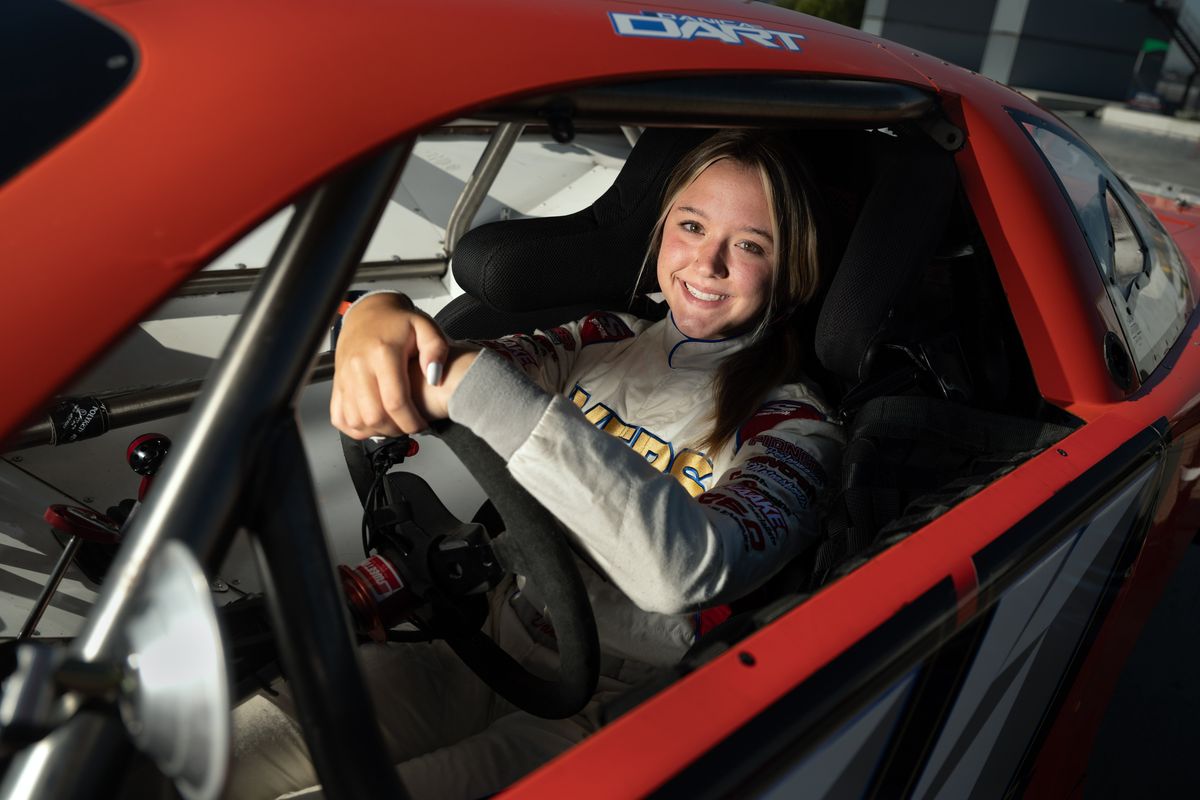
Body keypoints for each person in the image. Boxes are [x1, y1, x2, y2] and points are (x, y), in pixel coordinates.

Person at [229, 130, 844, 799]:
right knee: (204, 757)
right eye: (691, 225)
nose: (708, 261)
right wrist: (378, 313)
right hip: (482, 646)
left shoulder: (796, 425)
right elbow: (457, 363)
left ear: (792, 270)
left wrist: (465, 379)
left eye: (750, 244)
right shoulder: (601, 338)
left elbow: (685, 570)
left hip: (603, 714)